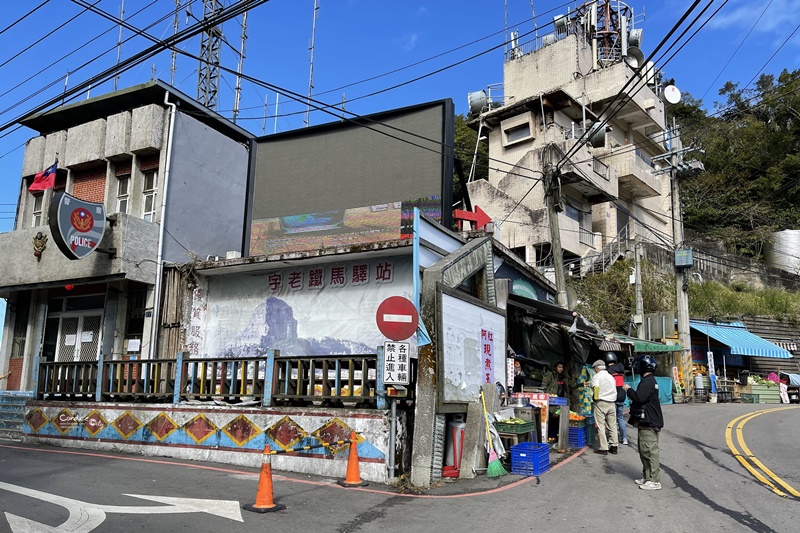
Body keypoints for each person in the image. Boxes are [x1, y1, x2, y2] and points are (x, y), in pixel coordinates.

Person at [623, 354, 664, 491]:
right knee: (644, 450)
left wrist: (628, 390)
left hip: (649, 421)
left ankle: (654, 480)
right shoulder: (650, 380)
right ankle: (647, 477)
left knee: (649, 451)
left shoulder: (647, 381)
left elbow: (639, 398)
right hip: (647, 421)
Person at [590, 359, 619, 456]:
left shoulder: (597, 377)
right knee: (612, 425)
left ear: (597, 368)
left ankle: (604, 448)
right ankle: (614, 446)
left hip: (601, 402)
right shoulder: (610, 377)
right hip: (612, 403)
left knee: (601, 426)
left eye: (595, 369)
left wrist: (595, 398)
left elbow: (596, 388)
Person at [606, 352, 629, 445]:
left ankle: (612, 440)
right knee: (620, 418)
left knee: (611, 419)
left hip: (613, 397)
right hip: (622, 396)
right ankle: (624, 438)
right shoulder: (621, 369)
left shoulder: (608, 372)